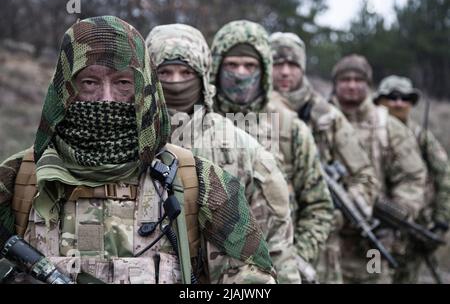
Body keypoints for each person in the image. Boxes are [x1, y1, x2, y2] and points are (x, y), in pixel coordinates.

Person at [0, 16, 276, 284]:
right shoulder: (19, 179)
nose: (106, 100)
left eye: (122, 83)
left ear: (144, 90)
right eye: (89, 83)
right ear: (65, 90)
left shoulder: (200, 182)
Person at [145, 23, 300, 283]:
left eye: (185, 71)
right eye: (164, 72)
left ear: (203, 75)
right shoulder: (125, 144)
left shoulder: (243, 149)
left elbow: (276, 245)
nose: (175, 82)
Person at [209, 20, 334, 282]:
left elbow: (319, 206)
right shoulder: (197, 124)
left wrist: (294, 256)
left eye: (250, 66)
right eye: (232, 65)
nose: (241, 73)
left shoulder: (291, 129)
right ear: (216, 68)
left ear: (263, 70)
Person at [269, 32, 379, 283]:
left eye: (293, 65)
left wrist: (335, 213)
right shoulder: (249, 112)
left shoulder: (326, 116)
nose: (285, 72)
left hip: (320, 250)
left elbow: (365, 177)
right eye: (278, 64)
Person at [331, 54, 427, 283]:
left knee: (374, 277)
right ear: (335, 84)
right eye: (345, 79)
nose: (352, 85)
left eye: (358, 79)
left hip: (372, 242)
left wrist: (394, 217)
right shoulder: (318, 121)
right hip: (329, 241)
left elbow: (413, 177)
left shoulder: (388, 127)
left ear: (368, 85)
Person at [374, 75, 450, 283]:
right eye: (392, 97)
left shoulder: (422, 138)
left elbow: (444, 177)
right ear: (379, 100)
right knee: (372, 275)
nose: (398, 103)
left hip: (413, 231)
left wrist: (441, 221)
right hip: (376, 230)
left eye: (405, 98)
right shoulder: (368, 134)